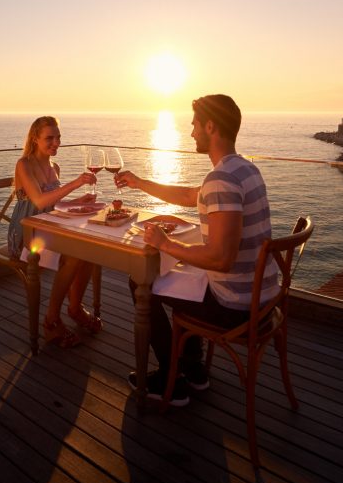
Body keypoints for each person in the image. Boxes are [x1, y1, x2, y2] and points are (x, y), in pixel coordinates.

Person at [114, 94, 274, 406]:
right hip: (262, 298)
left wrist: (165, 244)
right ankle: (194, 368)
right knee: (185, 272)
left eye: (194, 125)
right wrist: (138, 182)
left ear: (211, 126)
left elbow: (220, 259)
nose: (191, 133)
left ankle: (171, 380)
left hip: (234, 306)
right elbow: (190, 195)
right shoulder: (243, 169)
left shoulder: (222, 179)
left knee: (142, 281)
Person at [7, 116, 103, 348]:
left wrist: (79, 201)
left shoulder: (54, 166)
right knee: (73, 254)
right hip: (26, 232)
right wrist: (77, 183)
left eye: (58, 137)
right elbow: (39, 202)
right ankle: (51, 321)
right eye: (49, 138)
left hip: (49, 225)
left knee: (88, 249)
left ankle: (74, 307)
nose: (56, 142)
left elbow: (55, 204)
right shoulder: (24, 164)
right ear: (35, 139)